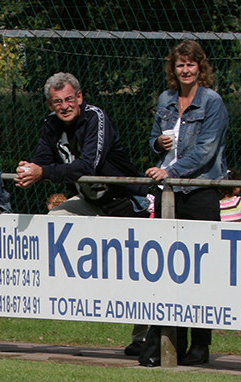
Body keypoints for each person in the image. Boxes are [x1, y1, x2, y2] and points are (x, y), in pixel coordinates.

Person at [14, 72, 149, 355]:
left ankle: (144, 339)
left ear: (79, 97)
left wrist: (43, 172)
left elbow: (88, 165)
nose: (64, 106)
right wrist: (28, 170)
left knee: (139, 275)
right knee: (56, 219)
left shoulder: (95, 118)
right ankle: (79, 290)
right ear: (50, 105)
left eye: (68, 99)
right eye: (57, 102)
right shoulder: (51, 124)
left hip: (125, 203)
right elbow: (42, 160)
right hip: (89, 202)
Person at [143, 40, 229, 367]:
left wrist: (172, 171)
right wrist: (158, 143)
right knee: (169, 269)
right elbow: (154, 139)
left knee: (201, 271)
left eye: (191, 64)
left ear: (200, 67)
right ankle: (170, 340)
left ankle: (200, 344)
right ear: (173, 68)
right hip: (169, 192)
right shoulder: (166, 99)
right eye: (180, 65)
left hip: (200, 190)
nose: (186, 70)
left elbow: (206, 150)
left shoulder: (212, 102)